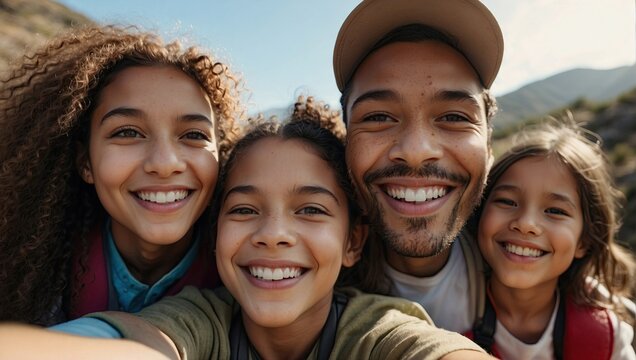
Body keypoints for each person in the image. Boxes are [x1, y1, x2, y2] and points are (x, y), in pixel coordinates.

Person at [0, 98, 492, 360]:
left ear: (353, 241)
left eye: (311, 211)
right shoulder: (201, 320)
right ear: (215, 234)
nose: (273, 234)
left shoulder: (378, 331)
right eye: (243, 210)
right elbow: (135, 346)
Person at [0, 25, 244, 325]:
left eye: (194, 134)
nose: (165, 163)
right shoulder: (26, 265)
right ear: (85, 162)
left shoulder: (246, 271)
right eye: (128, 132)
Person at [334, 0, 502, 333]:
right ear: (345, 145)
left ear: (489, 147)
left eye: (454, 117)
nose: (415, 151)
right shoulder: (297, 279)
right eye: (378, 117)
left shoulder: (550, 280)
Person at [466, 119, 636, 359]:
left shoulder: (609, 340)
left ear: (584, 241)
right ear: (480, 212)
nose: (526, 224)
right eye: (507, 201)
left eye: (555, 211)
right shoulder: (439, 309)